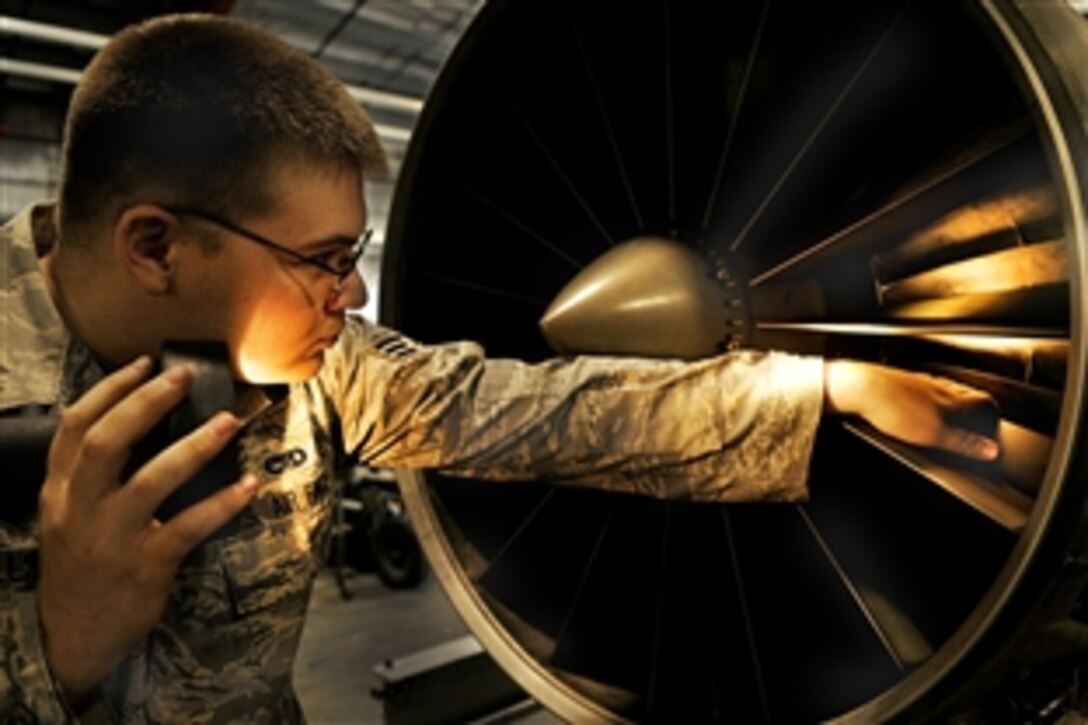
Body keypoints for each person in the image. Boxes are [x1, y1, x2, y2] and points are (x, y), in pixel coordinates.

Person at [0, 13, 1000, 723]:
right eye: (326, 261)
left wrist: (821, 386)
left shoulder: (317, 364)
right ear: (155, 247)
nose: (351, 299)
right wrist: (64, 646)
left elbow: (522, 410)